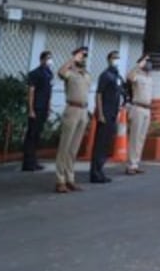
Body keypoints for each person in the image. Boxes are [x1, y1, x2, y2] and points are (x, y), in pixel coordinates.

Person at [56, 47, 91, 193]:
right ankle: (60, 180)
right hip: (72, 109)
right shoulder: (69, 73)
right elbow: (60, 72)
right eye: (80, 56)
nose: (83, 59)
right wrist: (72, 60)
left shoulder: (86, 75)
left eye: (84, 56)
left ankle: (70, 178)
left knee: (74, 148)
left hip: (83, 111)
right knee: (65, 146)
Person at [90, 50, 124, 184]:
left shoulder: (116, 76)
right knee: (100, 143)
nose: (117, 60)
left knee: (106, 144)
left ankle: (100, 170)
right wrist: (101, 113)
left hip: (113, 113)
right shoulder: (105, 75)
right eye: (114, 57)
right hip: (105, 112)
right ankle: (95, 173)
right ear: (109, 59)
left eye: (118, 57)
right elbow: (99, 94)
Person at [22, 51, 53, 172]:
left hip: (44, 107)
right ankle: (27, 163)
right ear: (42, 60)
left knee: (37, 136)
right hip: (36, 107)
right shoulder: (35, 73)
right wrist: (31, 109)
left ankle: (34, 161)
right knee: (31, 135)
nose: (50, 61)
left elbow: (49, 92)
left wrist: (49, 107)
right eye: (48, 58)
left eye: (51, 58)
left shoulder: (49, 74)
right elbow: (31, 92)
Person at [125, 54, 152, 175]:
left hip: (147, 109)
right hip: (137, 108)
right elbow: (129, 77)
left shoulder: (150, 78)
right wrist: (138, 65)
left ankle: (136, 163)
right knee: (134, 138)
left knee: (141, 138)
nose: (149, 63)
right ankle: (130, 165)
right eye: (146, 61)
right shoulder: (137, 75)